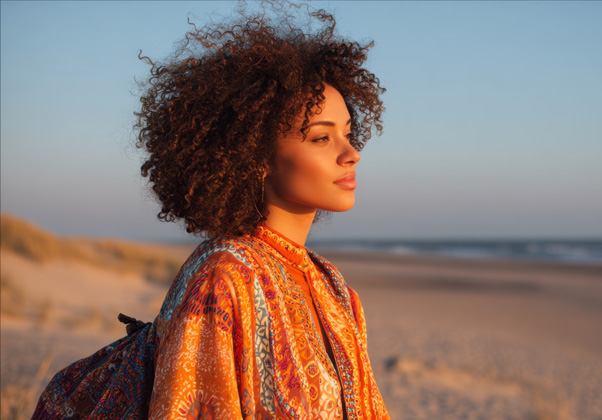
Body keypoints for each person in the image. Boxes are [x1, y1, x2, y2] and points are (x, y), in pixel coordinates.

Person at [31, 2, 389, 419]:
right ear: (256, 155)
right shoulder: (222, 279)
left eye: (348, 133)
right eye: (320, 139)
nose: (353, 154)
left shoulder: (336, 289)